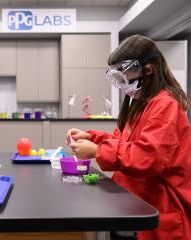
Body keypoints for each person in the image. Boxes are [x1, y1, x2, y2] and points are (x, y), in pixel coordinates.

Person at [65, 35, 191, 239]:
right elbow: (123, 141)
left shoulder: (165, 105)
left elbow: (148, 158)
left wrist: (97, 151)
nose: (122, 85)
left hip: (160, 206)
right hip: (137, 202)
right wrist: (92, 137)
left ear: (147, 70)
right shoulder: (142, 103)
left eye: (125, 77)